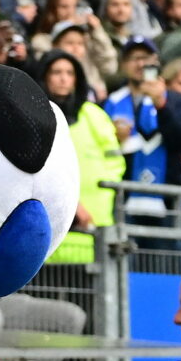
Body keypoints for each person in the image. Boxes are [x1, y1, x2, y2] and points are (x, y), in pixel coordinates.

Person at [40, 50, 122, 269]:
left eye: (69, 72)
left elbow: (115, 162)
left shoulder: (94, 115)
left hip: (95, 231)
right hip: (47, 242)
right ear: (45, 76)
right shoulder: (36, 114)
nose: (63, 78)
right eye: (56, 72)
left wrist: (104, 192)